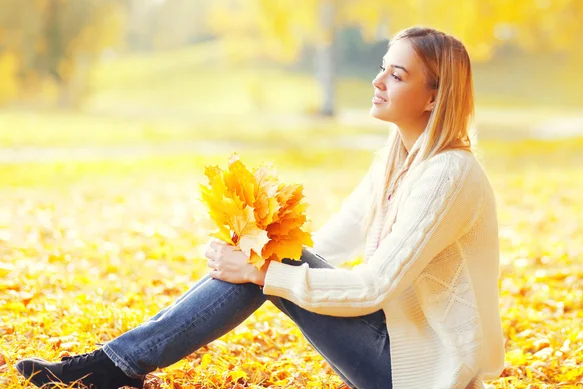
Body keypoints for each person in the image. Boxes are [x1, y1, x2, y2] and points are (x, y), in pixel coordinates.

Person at [15, 26, 505, 389]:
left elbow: (373, 286)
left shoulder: (449, 174)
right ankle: (116, 364)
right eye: (382, 67)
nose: (378, 81)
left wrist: (261, 272)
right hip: (398, 347)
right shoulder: (398, 158)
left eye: (397, 75)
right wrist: (255, 250)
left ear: (434, 97)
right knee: (269, 256)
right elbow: (333, 238)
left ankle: (113, 366)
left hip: (425, 373)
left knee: (270, 265)